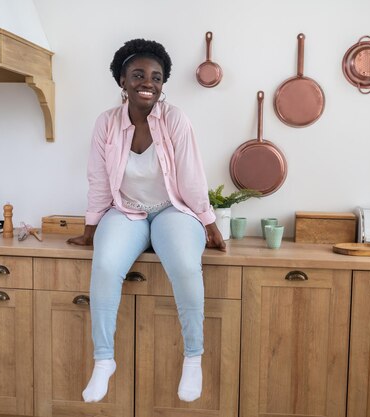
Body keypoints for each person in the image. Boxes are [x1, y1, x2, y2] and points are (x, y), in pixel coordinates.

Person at [67, 38, 226, 404]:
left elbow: (191, 175)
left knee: (186, 265)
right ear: (122, 81)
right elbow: (97, 178)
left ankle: (193, 357)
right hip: (126, 211)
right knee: (105, 265)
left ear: (163, 83)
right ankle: (104, 360)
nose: (148, 82)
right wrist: (91, 228)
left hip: (173, 210)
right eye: (138, 74)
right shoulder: (106, 123)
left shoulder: (175, 119)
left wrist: (208, 223)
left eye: (156, 76)